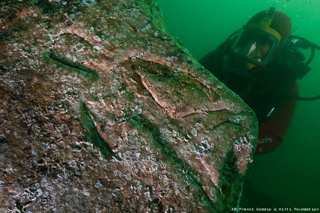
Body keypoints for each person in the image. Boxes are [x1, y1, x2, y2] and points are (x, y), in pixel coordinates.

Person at [200, 7, 312, 155]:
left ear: (277, 50)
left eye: (264, 41)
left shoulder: (285, 85)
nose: (251, 47)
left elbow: (273, 135)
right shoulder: (220, 57)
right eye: (250, 36)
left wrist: (230, 146)